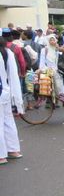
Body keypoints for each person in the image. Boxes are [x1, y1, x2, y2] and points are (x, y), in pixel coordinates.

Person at [0, 37, 23, 165]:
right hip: (7, 91)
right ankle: (13, 150)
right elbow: (13, 74)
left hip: (1, 91)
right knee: (8, 121)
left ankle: (1, 156)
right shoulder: (7, 52)